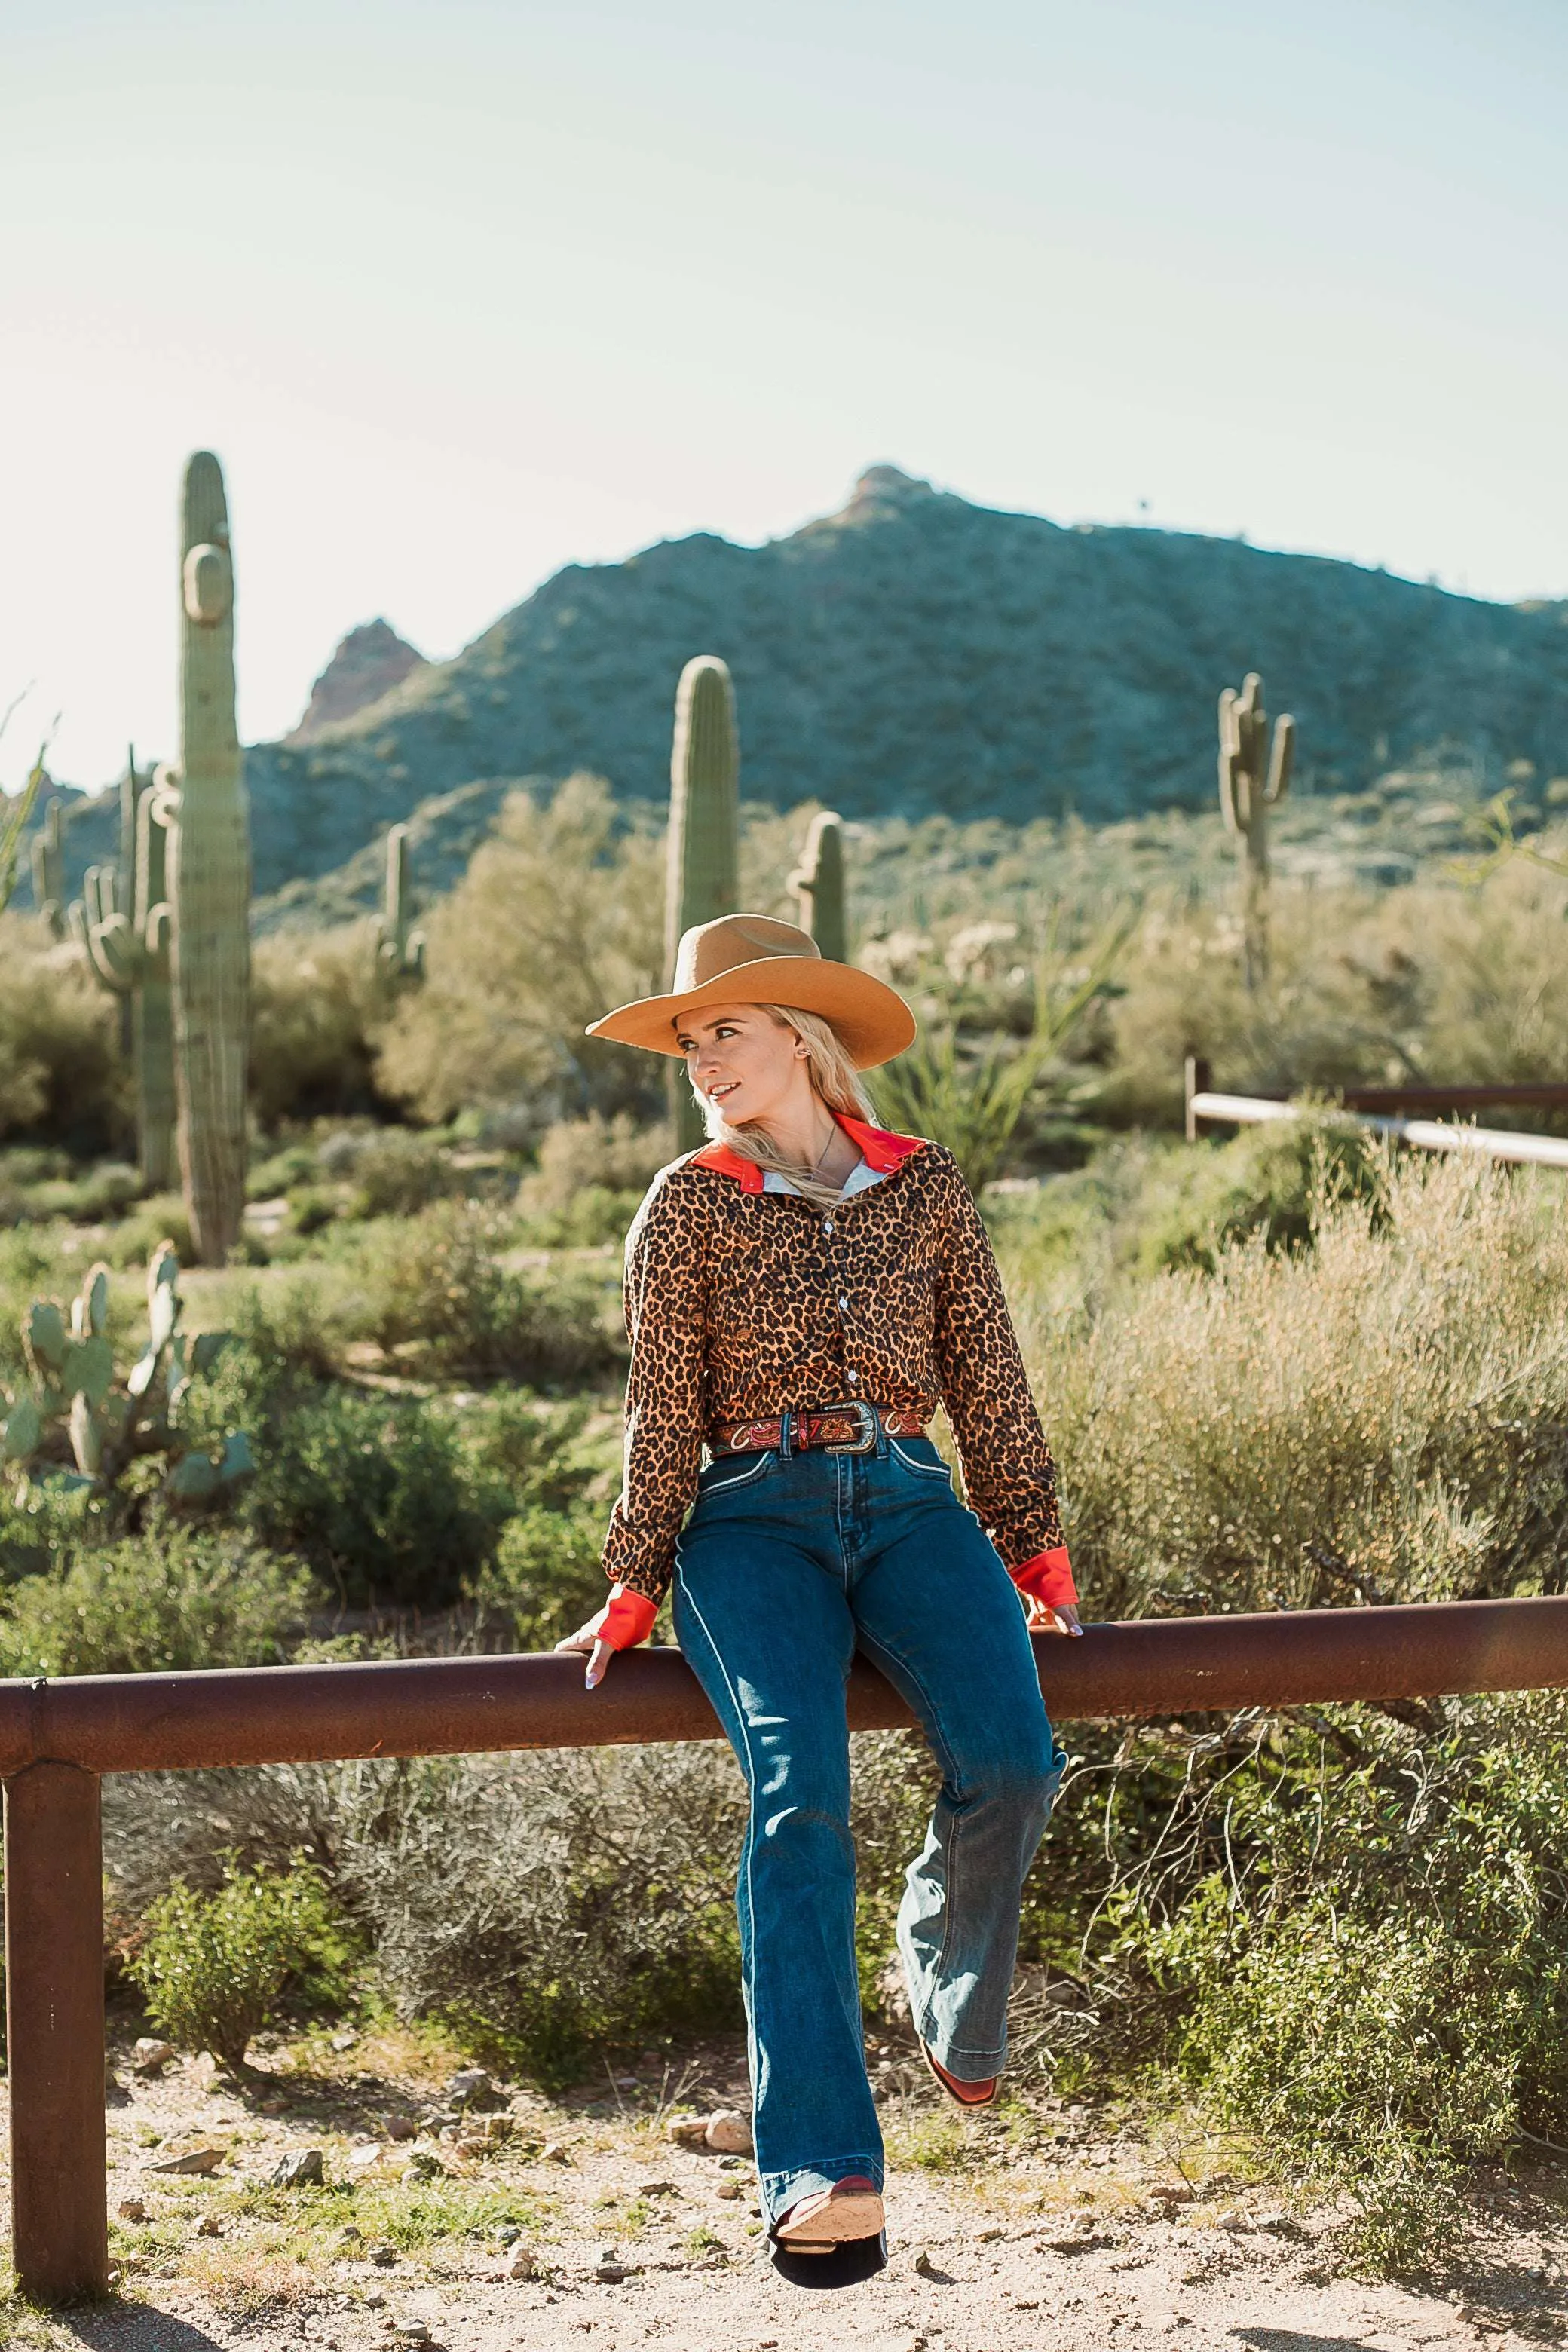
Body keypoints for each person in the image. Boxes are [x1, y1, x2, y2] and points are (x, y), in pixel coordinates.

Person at [557, 913, 1080, 2257]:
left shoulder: (925, 1185)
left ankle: (942, 1957)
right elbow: (661, 1409)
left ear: (801, 1036)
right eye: (688, 1042)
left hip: (910, 1500)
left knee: (1017, 1762)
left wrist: (1030, 1540)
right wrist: (632, 1577)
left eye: (723, 1031)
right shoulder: (686, 1204)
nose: (702, 1061)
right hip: (747, 1523)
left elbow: (988, 1373)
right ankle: (819, 2168)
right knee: (800, 1807)